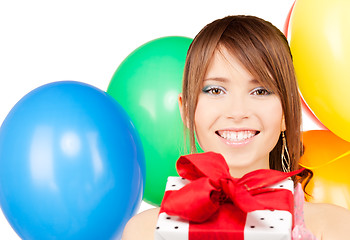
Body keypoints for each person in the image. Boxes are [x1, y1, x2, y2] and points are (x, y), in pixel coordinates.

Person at [122, 15, 350, 240]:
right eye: (215, 90)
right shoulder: (145, 232)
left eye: (260, 91)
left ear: (286, 113)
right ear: (187, 110)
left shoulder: (332, 228)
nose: (238, 112)